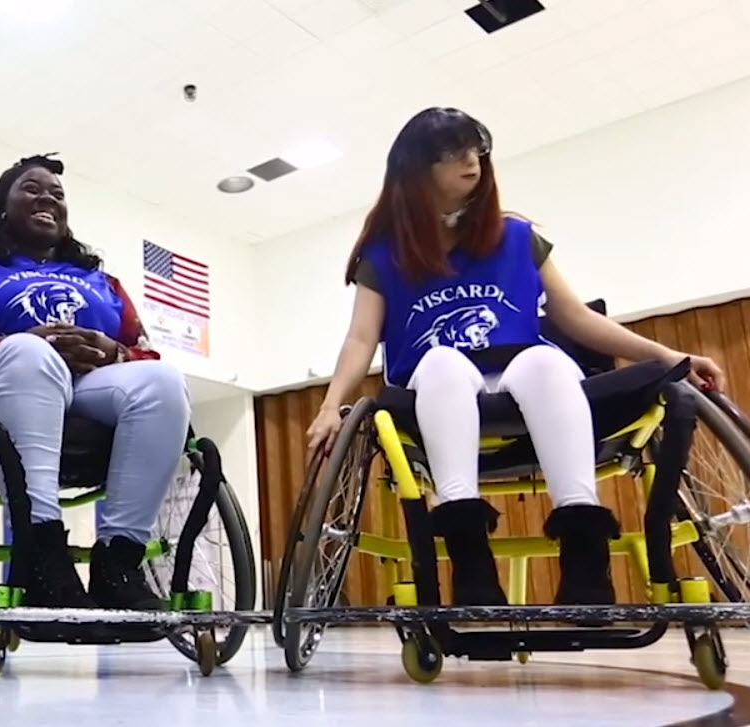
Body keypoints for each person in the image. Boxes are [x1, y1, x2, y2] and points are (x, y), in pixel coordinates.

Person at [308, 107, 724, 607]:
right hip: (438, 384)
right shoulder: (384, 255)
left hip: (523, 370)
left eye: (476, 150)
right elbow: (360, 339)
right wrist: (331, 405)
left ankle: (584, 551)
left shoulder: (518, 237)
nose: (471, 160)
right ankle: (469, 556)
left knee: (546, 362)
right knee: (442, 361)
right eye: (452, 152)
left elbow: (576, 318)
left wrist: (667, 353)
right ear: (417, 171)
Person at [0, 155, 190, 611]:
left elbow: (145, 352)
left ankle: (119, 563)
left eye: (57, 194)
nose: (48, 199)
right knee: (28, 353)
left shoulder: (103, 281)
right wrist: (11, 342)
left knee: (162, 380)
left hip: (85, 396)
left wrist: (110, 349)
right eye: (32, 189)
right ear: (2, 205)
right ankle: (42, 557)